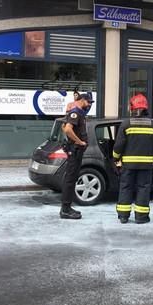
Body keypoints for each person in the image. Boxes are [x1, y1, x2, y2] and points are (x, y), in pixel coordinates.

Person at [113, 93, 153, 224]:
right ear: (145, 108)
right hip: (146, 165)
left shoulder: (126, 124)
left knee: (125, 187)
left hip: (128, 165)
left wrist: (115, 158)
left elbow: (118, 145)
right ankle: (141, 217)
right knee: (143, 188)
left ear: (132, 108)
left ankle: (123, 216)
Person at [59, 92, 94, 220]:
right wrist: (79, 142)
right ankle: (66, 210)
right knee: (70, 180)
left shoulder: (77, 112)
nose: (89, 105)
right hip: (75, 151)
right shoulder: (76, 112)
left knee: (71, 179)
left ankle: (67, 207)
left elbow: (63, 126)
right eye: (89, 102)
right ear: (83, 100)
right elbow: (67, 129)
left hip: (75, 151)